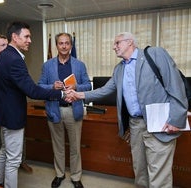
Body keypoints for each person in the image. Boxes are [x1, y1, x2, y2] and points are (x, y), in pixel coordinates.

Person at [66, 32, 188, 188]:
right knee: (140, 172)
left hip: (160, 124)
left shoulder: (155, 54)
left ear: (130, 42)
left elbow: (175, 85)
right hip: (136, 126)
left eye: (117, 43)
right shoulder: (119, 69)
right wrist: (78, 95)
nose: (113, 47)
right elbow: (104, 90)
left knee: (159, 177)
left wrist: (176, 119)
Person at [0, 21, 66, 188]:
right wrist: (60, 93)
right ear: (15, 37)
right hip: (12, 116)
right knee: (14, 159)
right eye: (26, 36)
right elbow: (32, 90)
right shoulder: (14, 59)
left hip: (3, 114)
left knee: (4, 151)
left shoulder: (4, 55)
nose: (30, 40)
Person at [38, 33, 91, 188]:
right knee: (58, 146)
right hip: (55, 110)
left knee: (75, 147)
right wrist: (51, 87)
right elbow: (40, 85)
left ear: (71, 46)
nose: (64, 46)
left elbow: (88, 85)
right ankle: (60, 174)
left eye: (67, 43)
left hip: (73, 111)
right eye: (61, 43)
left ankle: (76, 177)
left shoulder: (79, 65)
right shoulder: (47, 65)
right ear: (56, 45)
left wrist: (76, 87)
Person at [0, 34, 32, 173]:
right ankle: (1, 169)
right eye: (2, 45)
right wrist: (0, 90)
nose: (6, 48)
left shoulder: (14, 58)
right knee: (1, 141)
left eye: (6, 45)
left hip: (15, 107)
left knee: (20, 138)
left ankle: (22, 161)